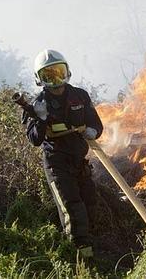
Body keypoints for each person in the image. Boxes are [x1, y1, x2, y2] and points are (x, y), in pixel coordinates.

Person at [25, 49, 103, 258]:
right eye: (48, 76)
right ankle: (81, 259)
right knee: (73, 208)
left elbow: (96, 123)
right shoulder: (37, 105)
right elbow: (34, 139)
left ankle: (95, 252)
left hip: (79, 161)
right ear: (40, 79)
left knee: (90, 204)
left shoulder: (80, 96)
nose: (56, 80)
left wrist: (93, 131)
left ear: (67, 71)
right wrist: (40, 118)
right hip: (57, 163)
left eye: (59, 72)